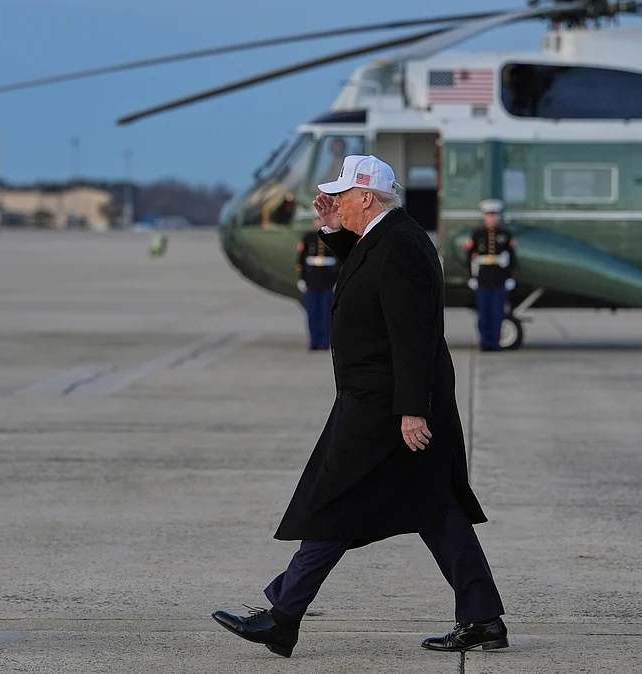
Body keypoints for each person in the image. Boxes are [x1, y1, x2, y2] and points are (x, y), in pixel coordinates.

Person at [212, 155, 507, 657]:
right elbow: (369, 269)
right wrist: (333, 229)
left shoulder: (401, 246)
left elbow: (413, 334)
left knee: (334, 502)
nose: (335, 202)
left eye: (342, 196)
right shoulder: (391, 237)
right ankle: (483, 619)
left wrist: (412, 409)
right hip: (385, 397)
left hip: (384, 404)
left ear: (366, 197)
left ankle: (283, 617)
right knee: (436, 508)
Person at [466, 199, 517, 351]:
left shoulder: (505, 234)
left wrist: (510, 277)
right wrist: (471, 277)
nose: (492, 218)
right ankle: (485, 342)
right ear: (484, 216)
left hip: (499, 279)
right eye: (489, 215)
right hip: (483, 279)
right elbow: (469, 256)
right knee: (484, 313)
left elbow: (512, 258)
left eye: (494, 215)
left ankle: (495, 342)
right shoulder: (478, 234)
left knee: (497, 314)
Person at [296, 218, 339, 350]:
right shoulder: (308, 237)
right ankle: (314, 341)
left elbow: (338, 260)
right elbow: (301, 259)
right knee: (312, 313)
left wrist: (337, 280)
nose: (318, 223)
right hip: (311, 281)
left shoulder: (332, 237)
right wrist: (301, 278)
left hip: (327, 281)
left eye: (320, 221)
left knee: (326, 314)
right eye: (316, 221)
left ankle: (325, 341)